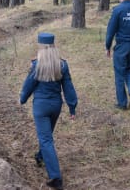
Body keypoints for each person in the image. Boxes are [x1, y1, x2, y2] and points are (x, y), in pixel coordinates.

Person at [20, 32, 78, 190]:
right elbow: (69, 88)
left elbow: (28, 86)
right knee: (46, 135)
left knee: (46, 139)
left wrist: (23, 99)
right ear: (53, 46)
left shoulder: (36, 65)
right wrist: (72, 106)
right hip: (55, 106)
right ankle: (40, 156)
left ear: (41, 47)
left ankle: (56, 178)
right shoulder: (62, 65)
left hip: (41, 107)